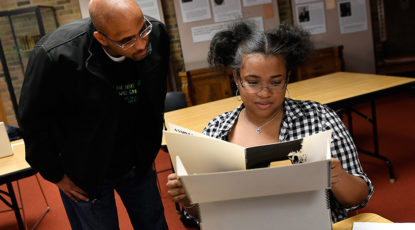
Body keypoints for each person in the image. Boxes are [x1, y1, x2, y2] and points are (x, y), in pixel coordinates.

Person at [166, 22, 373, 225]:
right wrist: (187, 197)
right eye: (253, 82)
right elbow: (205, 214)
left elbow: (359, 197)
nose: (265, 93)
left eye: (276, 82)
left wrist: (338, 177)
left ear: (287, 78)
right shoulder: (216, 131)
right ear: (236, 78)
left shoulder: (319, 118)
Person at [19, 0, 169, 229]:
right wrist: (56, 174)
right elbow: (34, 122)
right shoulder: (56, 55)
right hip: (85, 170)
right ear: (101, 38)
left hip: (136, 161)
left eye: (142, 30)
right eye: (127, 40)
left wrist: (147, 150)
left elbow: (153, 99)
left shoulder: (156, 34)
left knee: (154, 224)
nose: (141, 45)